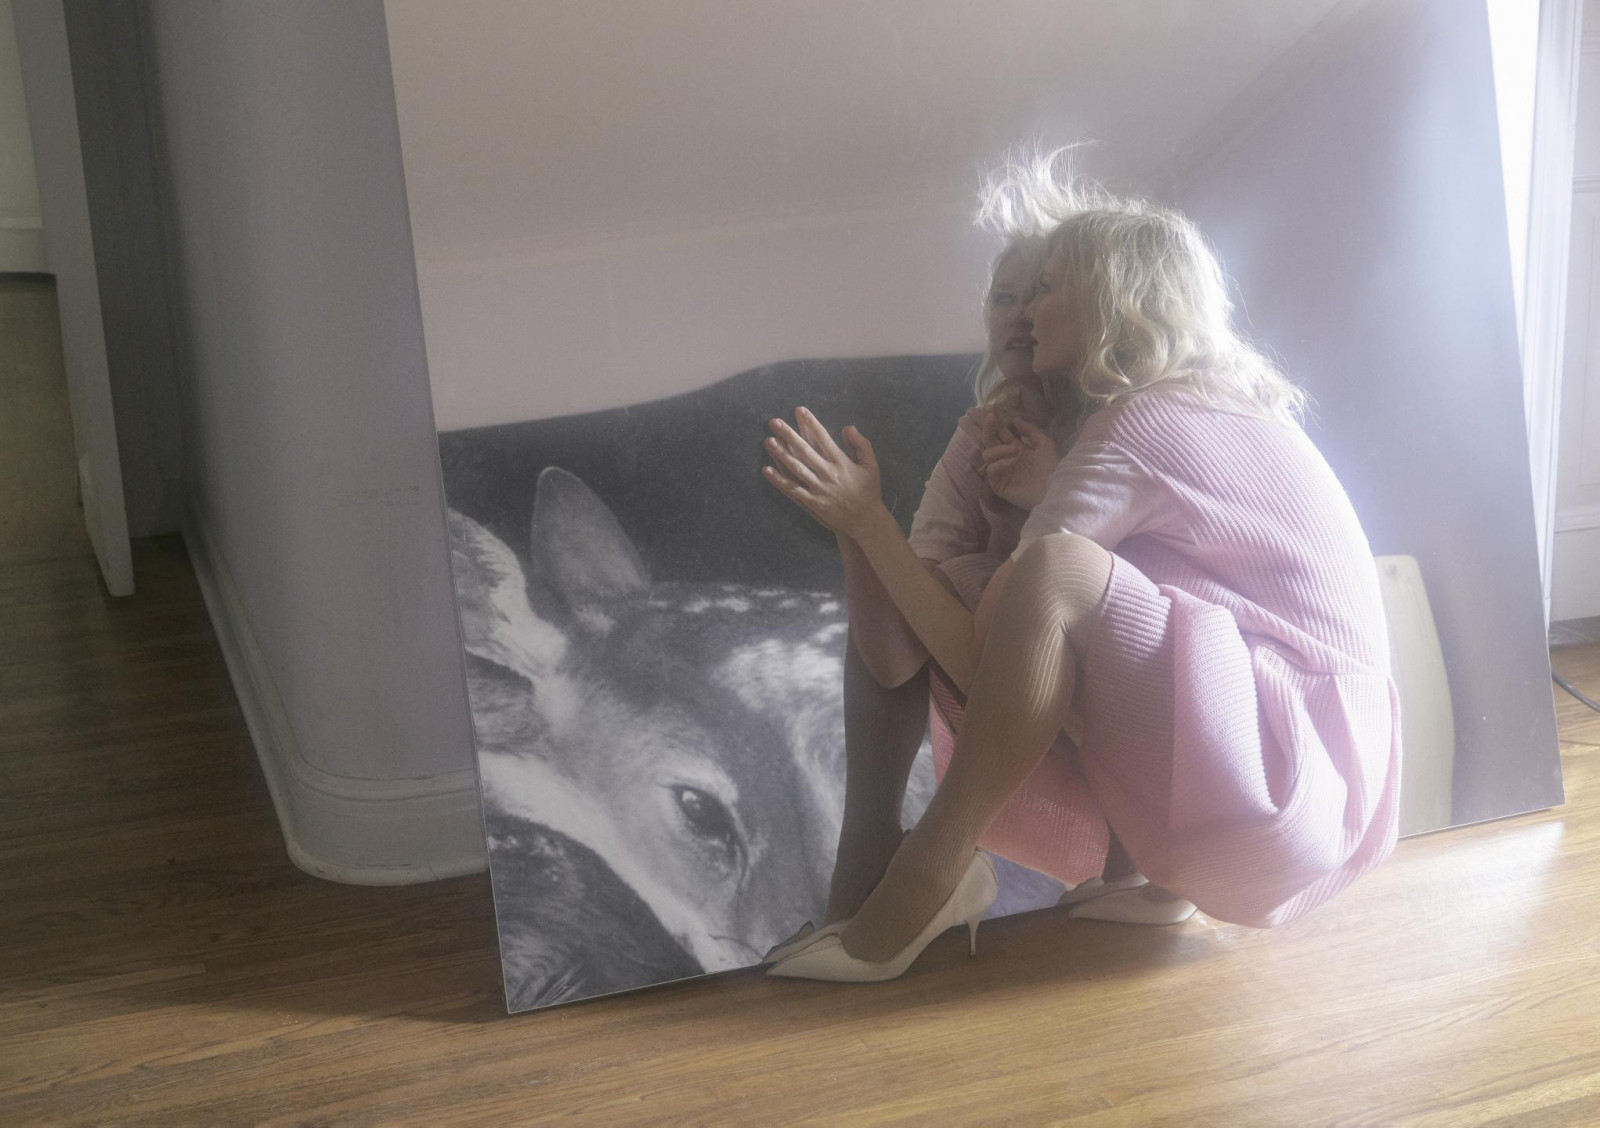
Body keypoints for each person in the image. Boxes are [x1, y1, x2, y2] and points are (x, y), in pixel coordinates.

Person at [761, 159, 1401, 982]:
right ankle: (1139, 881)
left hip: (1289, 774)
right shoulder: (1195, 406)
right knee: (976, 584)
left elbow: (1008, 657)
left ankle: (928, 874)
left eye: (1044, 289)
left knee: (1055, 572)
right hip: (1320, 784)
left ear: (1109, 299)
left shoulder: (1139, 420)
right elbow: (901, 652)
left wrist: (872, 522)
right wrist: (864, 532)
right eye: (1006, 296)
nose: (1023, 314)